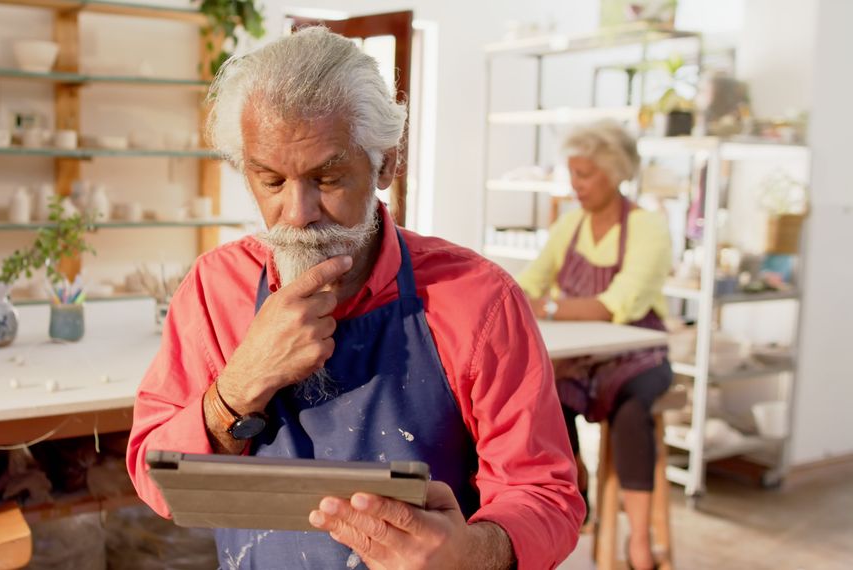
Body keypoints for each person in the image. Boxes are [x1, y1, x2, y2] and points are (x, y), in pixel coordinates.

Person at [127, 27, 583, 570]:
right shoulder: (213, 288)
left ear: (387, 163)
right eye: (270, 181)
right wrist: (238, 387)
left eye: (327, 177)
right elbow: (156, 478)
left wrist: (471, 553)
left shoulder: (477, 299)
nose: (298, 214)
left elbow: (546, 496)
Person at [517, 121, 673, 569]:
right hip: (583, 357)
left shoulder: (647, 228)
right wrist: (530, 298)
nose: (575, 185)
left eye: (585, 174)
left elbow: (616, 305)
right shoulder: (570, 226)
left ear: (615, 172)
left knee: (630, 408)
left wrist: (547, 306)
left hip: (638, 352)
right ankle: (576, 490)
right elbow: (530, 283)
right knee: (543, 394)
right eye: (573, 173)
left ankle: (639, 541)